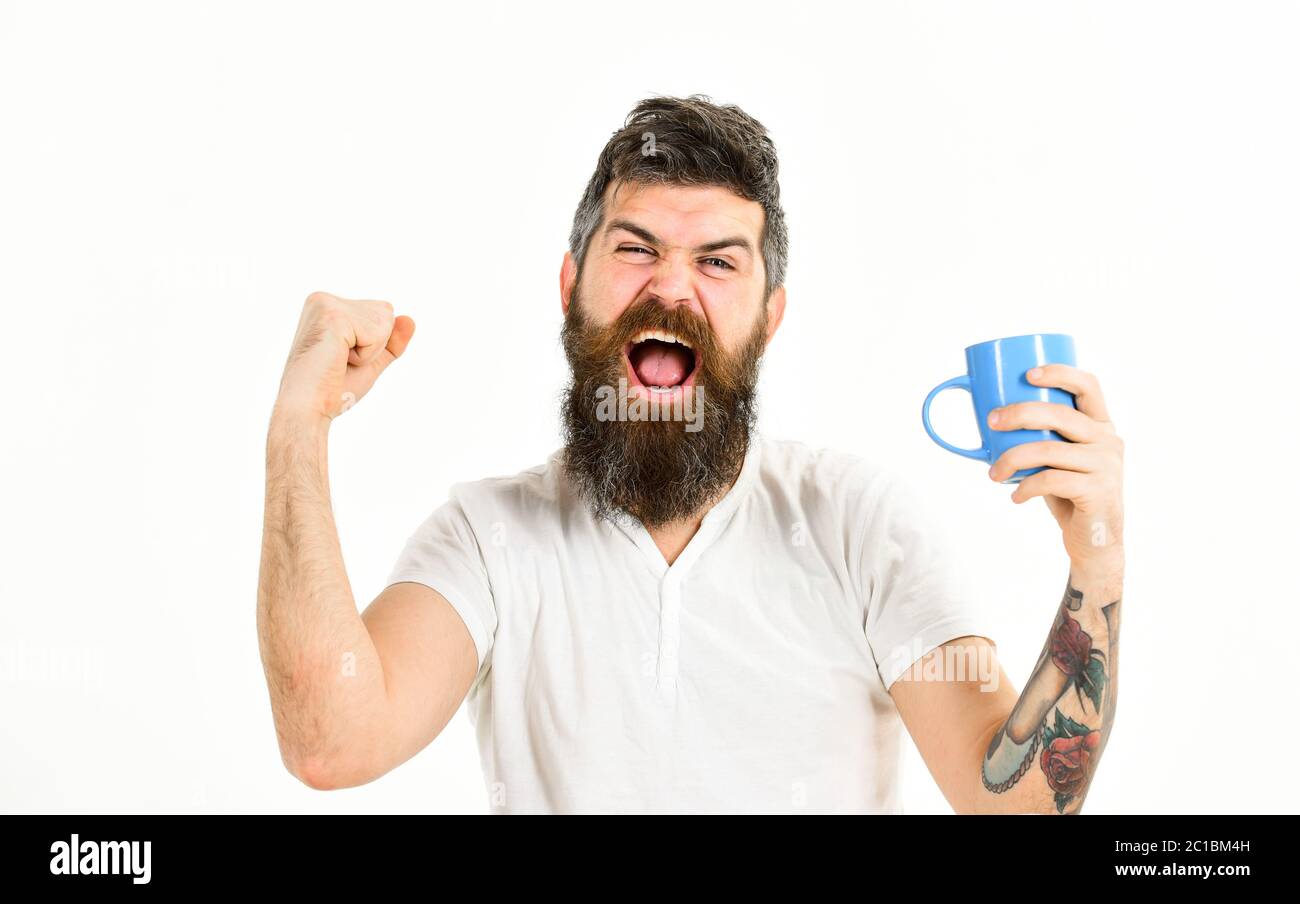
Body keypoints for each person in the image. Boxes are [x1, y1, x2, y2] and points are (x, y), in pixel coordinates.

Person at [256, 94, 1125, 814]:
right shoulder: (488, 540)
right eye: (636, 249)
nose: (672, 287)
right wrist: (300, 427)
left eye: (718, 261)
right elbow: (333, 741)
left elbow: (1016, 804)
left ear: (769, 317)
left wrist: (1098, 557)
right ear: (571, 288)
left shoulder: (860, 527)